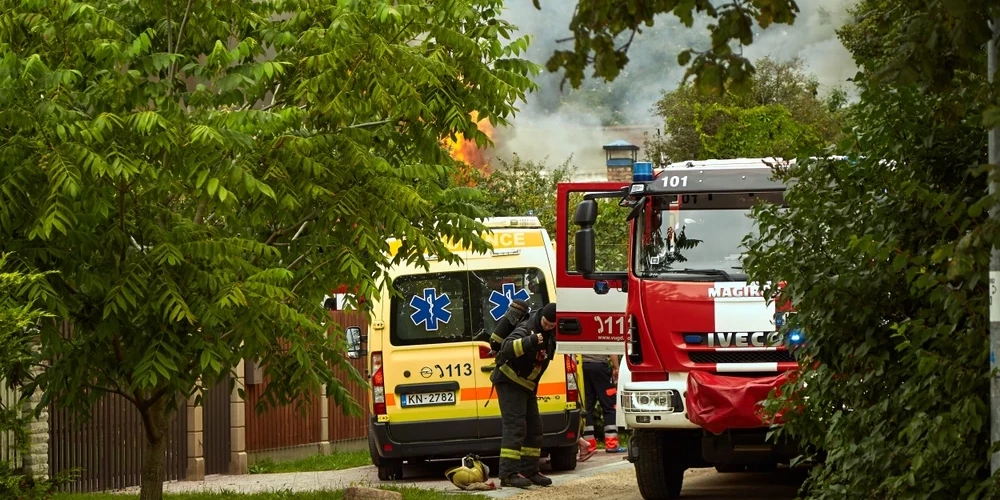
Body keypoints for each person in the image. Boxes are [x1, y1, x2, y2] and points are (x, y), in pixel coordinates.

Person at [491, 302, 558, 489]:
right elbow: (506, 348)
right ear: (541, 317)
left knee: (535, 428)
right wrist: (531, 342)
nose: (547, 327)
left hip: (527, 386)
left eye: (552, 325)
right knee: (515, 427)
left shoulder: (551, 332)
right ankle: (508, 474)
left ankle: (530, 471)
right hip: (510, 382)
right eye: (546, 323)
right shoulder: (526, 328)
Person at [581, 353, 626, 454]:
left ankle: (589, 445)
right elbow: (611, 350)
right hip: (600, 368)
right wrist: (617, 368)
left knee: (587, 407)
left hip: (583, 368)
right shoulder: (601, 335)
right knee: (610, 406)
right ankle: (612, 444)